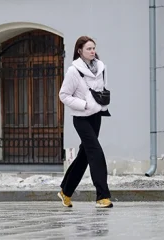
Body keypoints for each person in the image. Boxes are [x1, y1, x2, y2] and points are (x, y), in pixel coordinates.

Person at [57, 36, 113, 209]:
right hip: (81, 118)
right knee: (95, 152)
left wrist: (100, 104)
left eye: (93, 48)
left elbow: (103, 88)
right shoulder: (74, 71)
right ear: (79, 50)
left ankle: (66, 191)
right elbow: (63, 95)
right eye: (88, 48)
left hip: (96, 115)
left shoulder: (101, 67)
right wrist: (84, 105)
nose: (92, 51)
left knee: (84, 156)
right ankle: (102, 196)